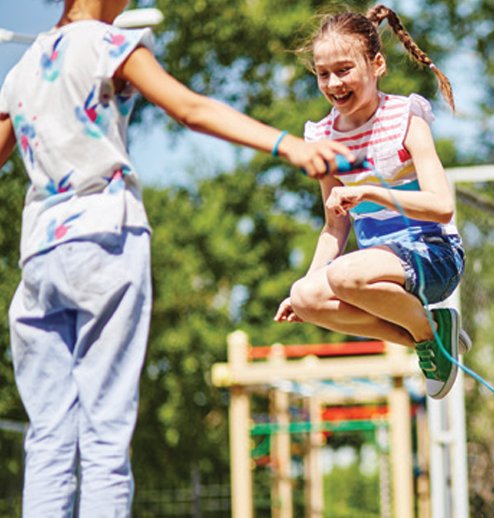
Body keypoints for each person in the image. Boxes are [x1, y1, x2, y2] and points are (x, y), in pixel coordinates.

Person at [0, 1, 352, 515]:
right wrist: (287, 144)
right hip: (104, 240)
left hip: (39, 257)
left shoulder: (25, 65)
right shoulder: (108, 44)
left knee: (48, 435)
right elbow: (190, 108)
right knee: (104, 430)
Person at [273, 5, 469, 400]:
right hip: (377, 269)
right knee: (305, 295)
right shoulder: (322, 137)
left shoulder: (405, 118)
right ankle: (428, 337)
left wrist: (371, 192)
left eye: (344, 70)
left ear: (377, 64)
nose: (333, 83)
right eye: (323, 74)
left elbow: (441, 206)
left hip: (433, 256)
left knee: (345, 276)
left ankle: (429, 333)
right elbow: (334, 226)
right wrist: (308, 286)